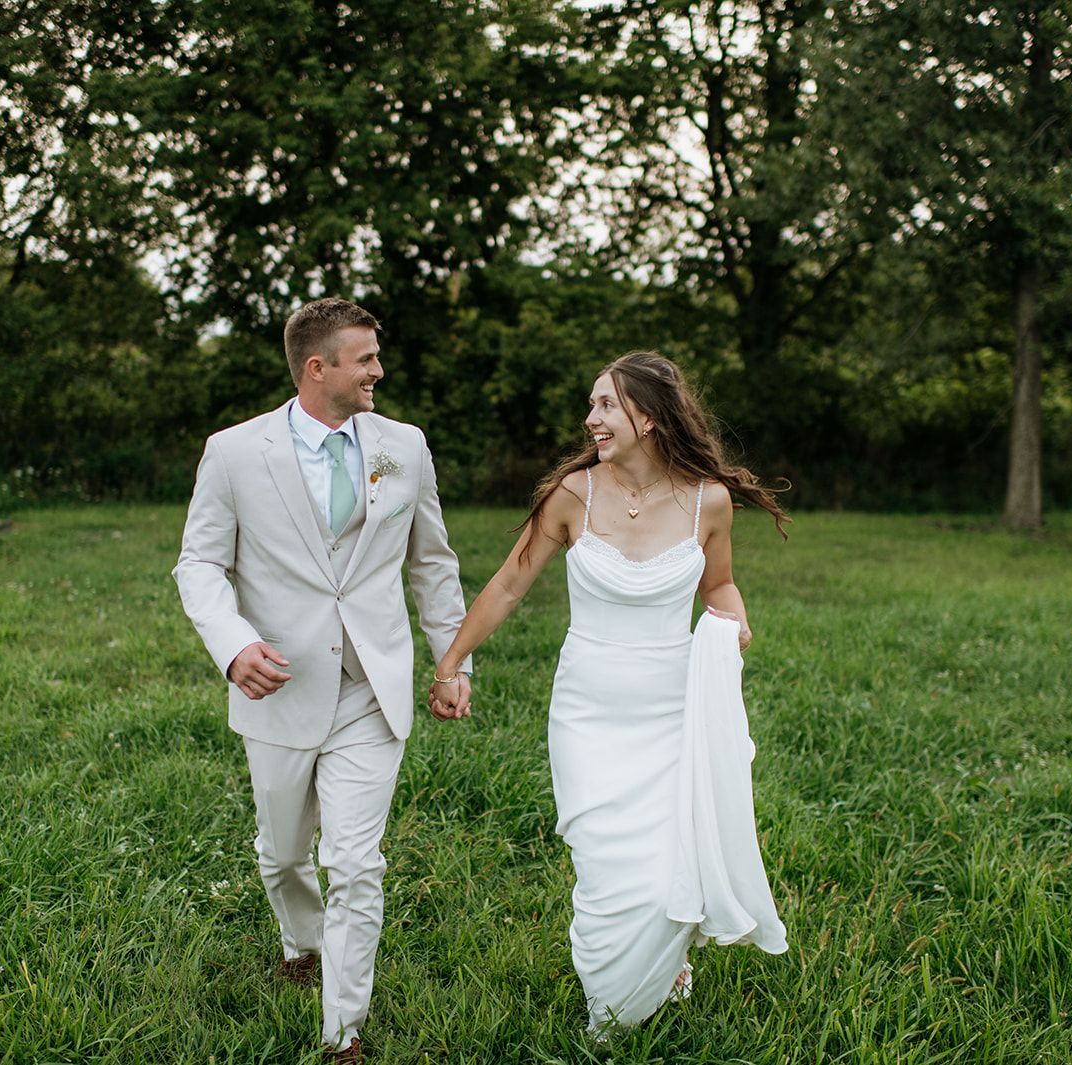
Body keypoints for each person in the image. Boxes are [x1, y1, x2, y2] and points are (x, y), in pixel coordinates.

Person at [428, 351, 790, 1036]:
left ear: (648, 417)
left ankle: (656, 972)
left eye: (605, 405)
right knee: (602, 869)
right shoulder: (574, 493)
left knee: (665, 863)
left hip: (668, 711)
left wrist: (734, 620)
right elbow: (509, 584)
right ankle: (612, 1008)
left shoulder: (707, 500)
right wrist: (452, 659)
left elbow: (718, 585)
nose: (590, 419)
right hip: (587, 713)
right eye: (591, 405)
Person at [174, 297, 472, 1064]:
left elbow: (431, 560)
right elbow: (200, 563)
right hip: (277, 681)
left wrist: (452, 659)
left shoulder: (403, 446)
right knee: (281, 854)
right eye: (365, 357)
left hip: (373, 689)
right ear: (318, 368)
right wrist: (233, 645)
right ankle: (298, 940)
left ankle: (343, 1032)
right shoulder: (236, 452)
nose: (379, 369)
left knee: (358, 862)